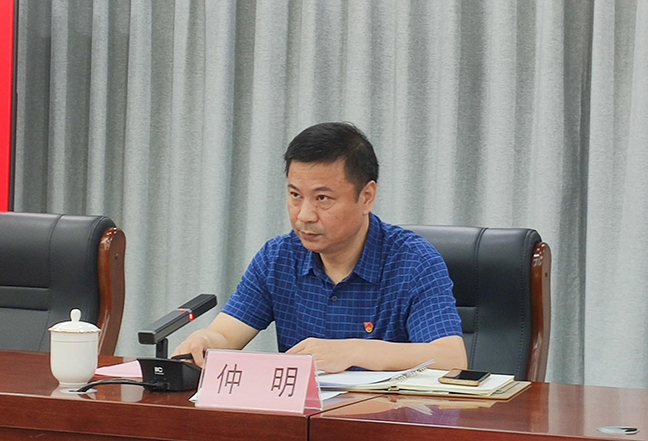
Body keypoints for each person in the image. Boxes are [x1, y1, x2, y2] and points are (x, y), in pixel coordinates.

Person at [173, 122, 467, 373]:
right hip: (302, 418)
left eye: (322, 198)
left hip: (385, 418)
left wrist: (353, 352)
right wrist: (205, 342)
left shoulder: (413, 261)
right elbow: (226, 335)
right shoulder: (278, 257)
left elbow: (451, 358)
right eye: (295, 195)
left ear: (366, 196)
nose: (304, 215)